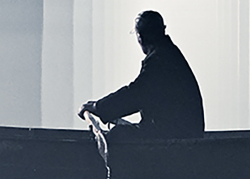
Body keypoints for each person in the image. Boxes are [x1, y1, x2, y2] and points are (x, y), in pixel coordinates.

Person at [80, 9, 205, 137]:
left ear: (140, 37)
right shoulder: (170, 54)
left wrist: (99, 107)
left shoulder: (159, 60)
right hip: (185, 131)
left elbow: (136, 94)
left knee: (118, 135)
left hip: (175, 134)